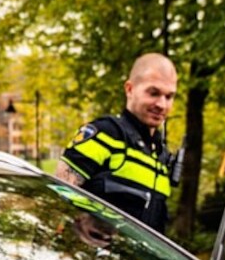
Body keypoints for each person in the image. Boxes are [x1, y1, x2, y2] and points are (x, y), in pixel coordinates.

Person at [59, 53, 179, 232]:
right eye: (153, 93)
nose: (161, 104)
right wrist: (80, 222)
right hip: (84, 257)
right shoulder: (106, 134)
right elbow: (56, 198)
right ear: (129, 89)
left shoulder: (162, 157)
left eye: (169, 97)